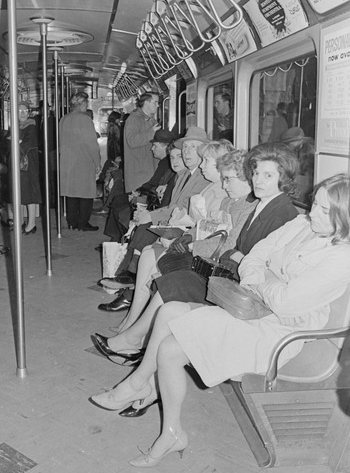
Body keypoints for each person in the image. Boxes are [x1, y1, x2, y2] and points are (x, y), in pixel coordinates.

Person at [89, 173, 350, 467]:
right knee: (168, 312)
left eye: (324, 210)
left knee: (169, 350)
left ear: (346, 216)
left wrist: (261, 277)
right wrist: (266, 276)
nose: (314, 214)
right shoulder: (302, 224)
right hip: (257, 311)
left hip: (278, 333)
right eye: (315, 205)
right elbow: (255, 256)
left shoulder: (341, 256)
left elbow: (285, 301)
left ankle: (168, 429)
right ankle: (141, 385)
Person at [93, 141, 300, 374]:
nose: (258, 181)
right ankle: (137, 347)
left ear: (284, 178)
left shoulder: (280, 212)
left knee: (172, 281)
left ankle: (136, 348)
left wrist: (217, 250)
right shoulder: (261, 205)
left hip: (242, 291)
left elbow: (243, 252)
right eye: (257, 174)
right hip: (231, 274)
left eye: (268, 175)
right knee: (169, 279)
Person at [98, 146, 251, 337]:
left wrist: (187, 243)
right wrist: (187, 237)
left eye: (206, 161)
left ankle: (134, 326)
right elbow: (208, 226)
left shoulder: (231, 198)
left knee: (158, 264)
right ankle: (133, 321)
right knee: (149, 254)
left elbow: (223, 241)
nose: (224, 183)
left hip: (213, 263)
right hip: (202, 249)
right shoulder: (228, 198)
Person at [100, 126, 211, 288]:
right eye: (185, 147)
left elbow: (183, 208)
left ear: (203, 151)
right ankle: (126, 277)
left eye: (192, 147)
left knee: (145, 225)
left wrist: (151, 216)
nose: (186, 152)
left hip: (188, 227)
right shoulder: (186, 174)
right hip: (176, 219)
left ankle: (128, 277)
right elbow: (174, 205)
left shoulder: (201, 177)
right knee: (139, 220)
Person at [102, 128, 177, 243]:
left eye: (155, 146)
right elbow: (152, 182)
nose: (152, 149)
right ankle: (116, 239)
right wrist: (138, 191)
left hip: (152, 199)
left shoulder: (168, 164)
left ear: (165, 147)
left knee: (120, 203)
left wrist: (139, 193)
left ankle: (117, 240)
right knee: (117, 200)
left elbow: (154, 184)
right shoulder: (164, 162)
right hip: (149, 194)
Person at [58, 91, 102, 231]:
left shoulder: (64, 119)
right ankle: (83, 223)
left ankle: (72, 222)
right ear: (82, 104)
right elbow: (92, 144)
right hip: (83, 162)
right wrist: (97, 162)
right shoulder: (85, 120)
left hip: (67, 162)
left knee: (71, 194)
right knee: (85, 194)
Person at [123, 93, 160, 193]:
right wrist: (151, 133)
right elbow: (132, 141)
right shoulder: (133, 119)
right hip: (139, 170)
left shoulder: (152, 120)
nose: (158, 105)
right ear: (147, 103)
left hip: (150, 168)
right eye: (155, 102)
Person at [18, 103, 42, 234]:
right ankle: (21, 221)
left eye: (25, 111)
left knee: (30, 194)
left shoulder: (31, 126)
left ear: (29, 113)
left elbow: (24, 144)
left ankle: (31, 223)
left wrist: (16, 142)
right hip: (20, 164)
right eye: (19, 111)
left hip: (28, 164)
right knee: (21, 193)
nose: (22, 113)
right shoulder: (16, 126)